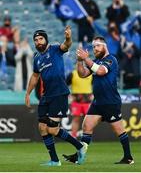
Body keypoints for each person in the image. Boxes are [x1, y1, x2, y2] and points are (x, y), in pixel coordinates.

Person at [63, 36, 134, 164]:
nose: (94, 49)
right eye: (93, 46)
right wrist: (80, 61)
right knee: (86, 126)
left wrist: (86, 58)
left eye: (97, 46)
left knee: (119, 130)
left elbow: (101, 71)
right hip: (98, 102)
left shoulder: (111, 60)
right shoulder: (96, 61)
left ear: (104, 46)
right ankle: (79, 155)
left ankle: (128, 157)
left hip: (110, 101)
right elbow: (82, 74)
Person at [25, 26, 87, 166]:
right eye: (35, 40)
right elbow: (35, 76)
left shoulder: (54, 49)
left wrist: (68, 38)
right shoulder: (37, 58)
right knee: (42, 128)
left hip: (59, 93)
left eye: (40, 39)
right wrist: (28, 93)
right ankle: (54, 160)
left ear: (46, 39)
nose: (38, 42)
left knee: (52, 129)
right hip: (46, 95)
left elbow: (66, 45)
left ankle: (80, 146)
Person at [66, 68, 93, 138]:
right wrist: (69, 95)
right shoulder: (72, 74)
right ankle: (74, 137)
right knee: (76, 119)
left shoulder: (90, 75)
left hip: (87, 101)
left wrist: (93, 94)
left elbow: (96, 85)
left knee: (88, 121)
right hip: (76, 101)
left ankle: (87, 137)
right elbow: (64, 84)